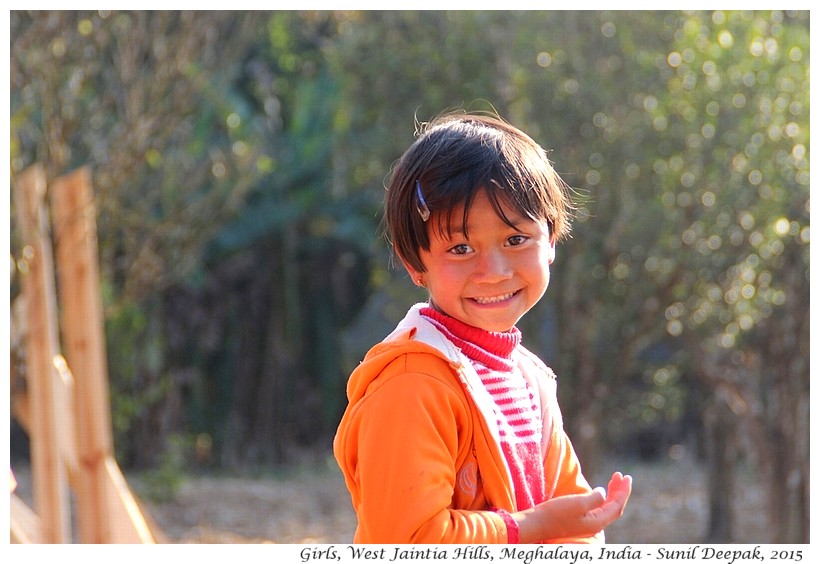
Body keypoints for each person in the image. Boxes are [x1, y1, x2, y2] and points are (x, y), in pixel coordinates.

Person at [333, 111, 632, 544]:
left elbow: (566, 510)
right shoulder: (412, 384)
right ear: (415, 262)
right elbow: (409, 540)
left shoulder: (527, 378)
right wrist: (531, 528)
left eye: (515, 240)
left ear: (550, 240)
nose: (492, 272)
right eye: (460, 247)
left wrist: (584, 524)